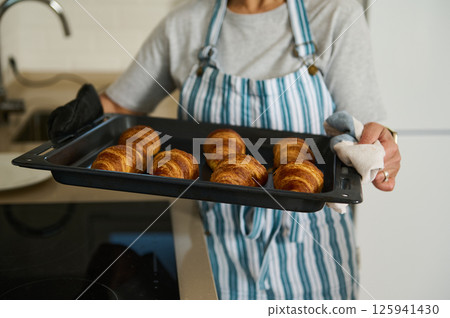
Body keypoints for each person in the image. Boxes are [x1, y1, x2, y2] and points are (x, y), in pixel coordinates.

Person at [96, 0, 400, 299]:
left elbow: (362, 133)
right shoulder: (183, 24)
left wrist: (381, 148)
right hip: (211, 251)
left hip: (312, 252)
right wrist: (82, 110)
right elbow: (118, 106)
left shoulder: (334, 15)